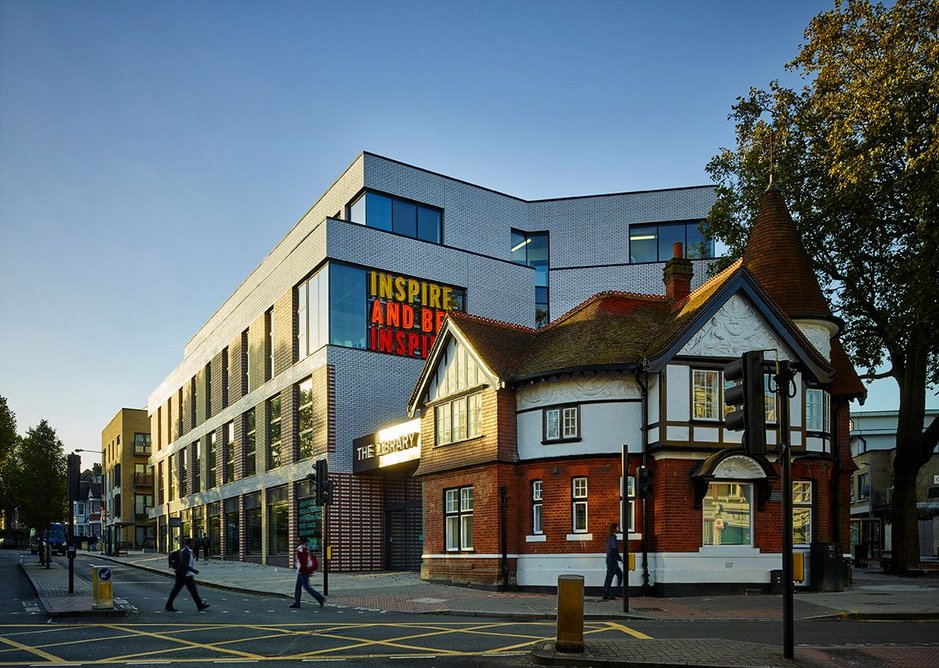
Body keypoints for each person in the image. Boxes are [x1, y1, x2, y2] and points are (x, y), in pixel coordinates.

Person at [166, 537, 210, 612]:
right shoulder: (184, 552)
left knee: (193, 591)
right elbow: (184, 564)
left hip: (188, 575)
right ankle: (168, 605)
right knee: (176, 591)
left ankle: (200, 605)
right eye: (192, 543)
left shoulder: (189, 551)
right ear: (189, 543)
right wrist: (193, 570)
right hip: (181, 575)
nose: (194, 544)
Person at [290, 537, 325, 609]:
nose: (297, 542)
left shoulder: (301, 548)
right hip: (303, 570)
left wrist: (302, 570)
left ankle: (320, 598)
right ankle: (297, 603)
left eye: (298, 540)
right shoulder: (306, 548)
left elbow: (303, 561)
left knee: (306, 587)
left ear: (302, 541)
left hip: (303, 571)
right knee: (298, 587)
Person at [602, 522, 623, 600]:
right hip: (612, 560)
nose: (619, 529)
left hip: (610, 559)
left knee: (619, 574)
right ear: (614, 528)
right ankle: (607, 594)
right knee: (610, 577)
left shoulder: (609, 537)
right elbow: (614, 549)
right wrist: (619, 559)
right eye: (617, 527)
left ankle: (615, 592)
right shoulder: (613, 537)